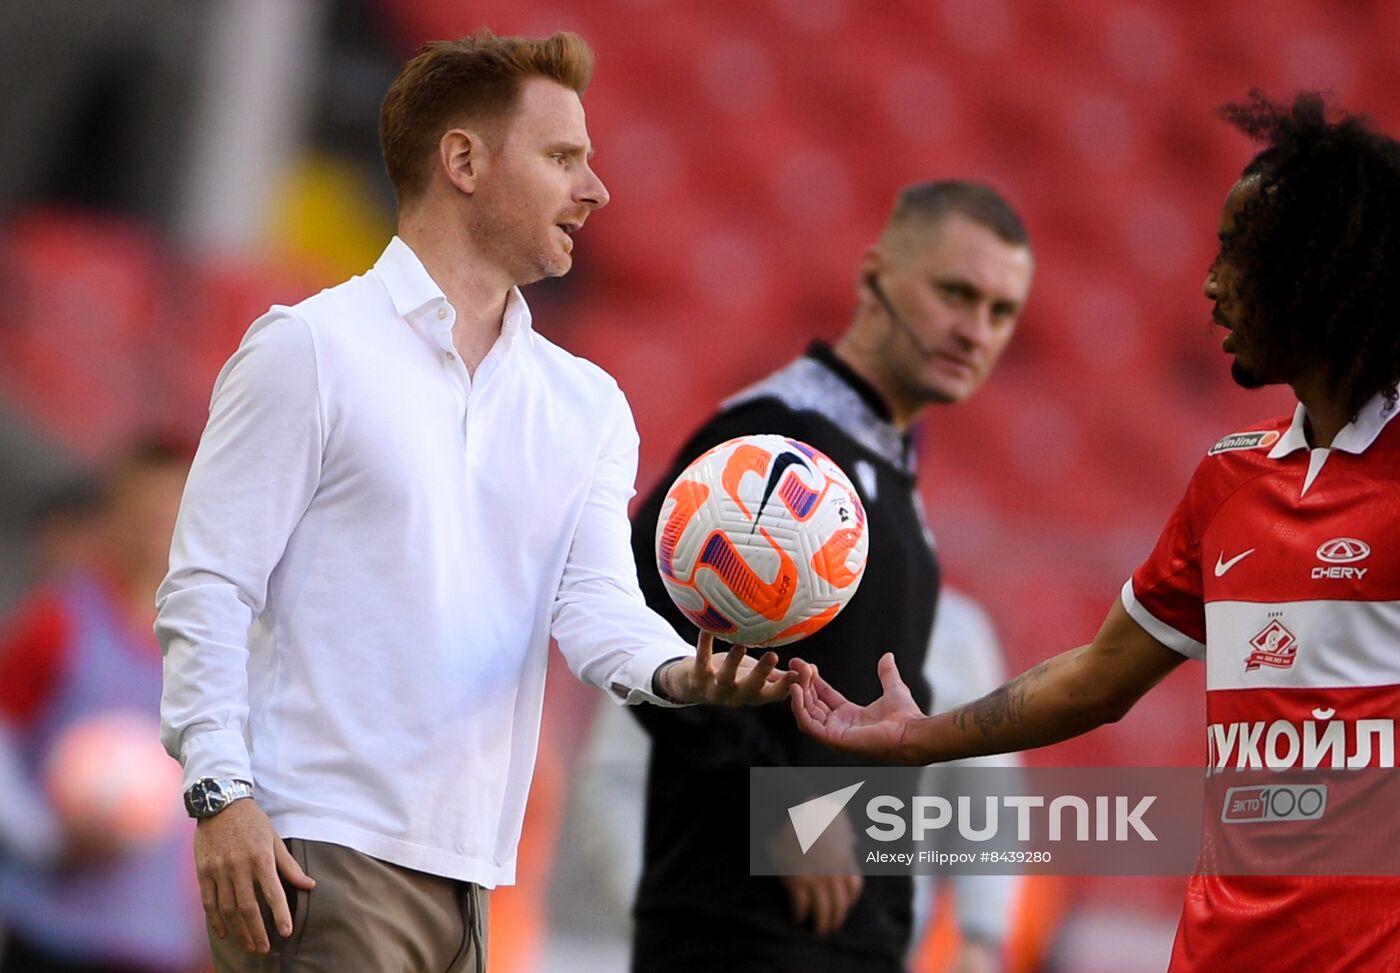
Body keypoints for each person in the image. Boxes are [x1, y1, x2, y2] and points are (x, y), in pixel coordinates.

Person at [155, 29, 791, 973]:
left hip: (474, 879)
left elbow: (595, 608)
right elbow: (206, 585)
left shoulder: (588, 405)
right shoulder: (310, 348)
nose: (597, 189)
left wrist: (680, 673)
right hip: (318, 853)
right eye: (563, 157)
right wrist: (219, 794)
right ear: (462, 160)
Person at [790, 92, 1400, 973]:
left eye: (1238, 253)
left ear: (1316, 270)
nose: (1209, 282)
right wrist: (918, 736)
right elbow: (1097, 677)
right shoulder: (1231, 479)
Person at [627, 181, 1034, 972]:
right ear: (875, 276)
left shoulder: (887, 467)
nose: (974, 330)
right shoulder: (775, 442)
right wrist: (779, 813)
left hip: (849, 940)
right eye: (956, 292)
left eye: (1000, 311)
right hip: (736, 931)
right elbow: (637, 617)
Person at [0, 440, 206, 973]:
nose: (156, 528)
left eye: (171, 512)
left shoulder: (216, 647)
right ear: (113, 514)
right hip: (50, 927)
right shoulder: (61, 620)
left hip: (156, 941)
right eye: (143, 512)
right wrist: (46, 837)